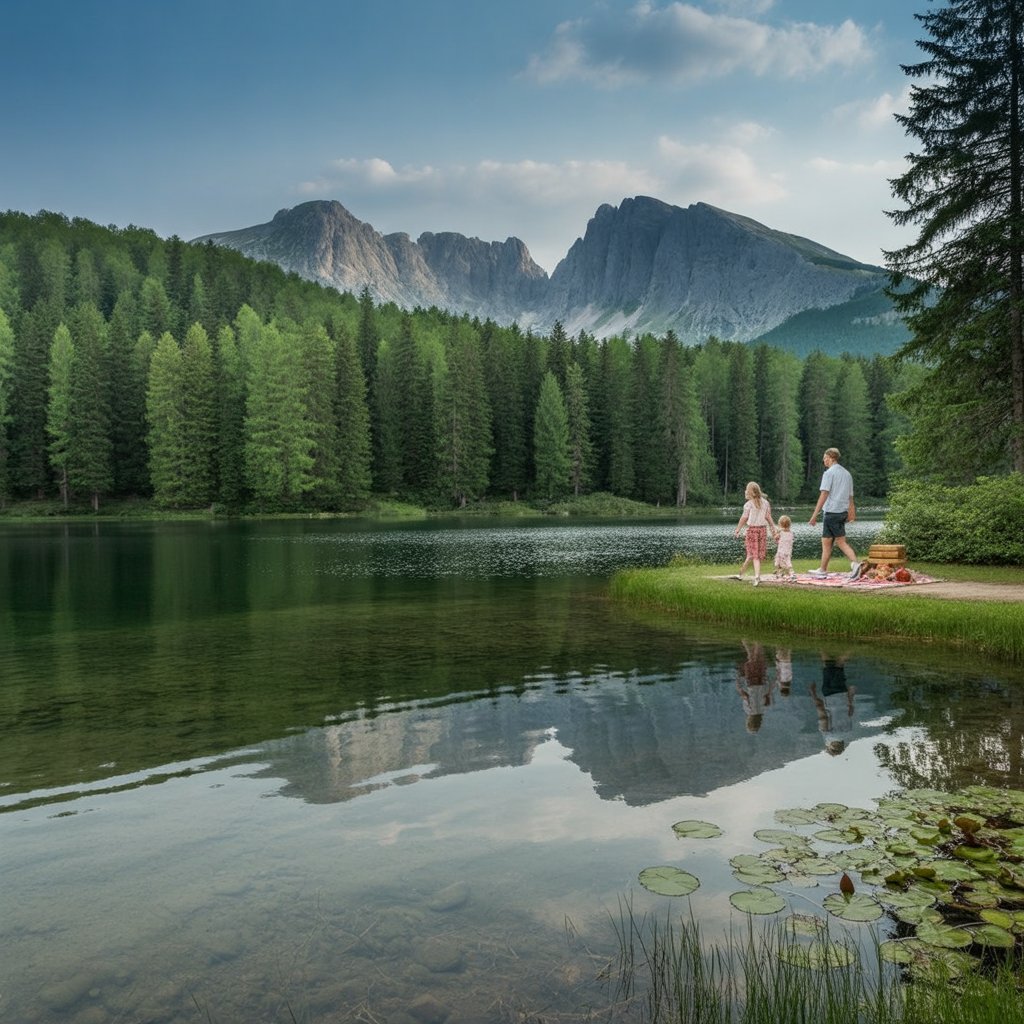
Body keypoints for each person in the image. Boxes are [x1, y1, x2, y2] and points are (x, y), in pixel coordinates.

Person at [807, 448, 860, 579]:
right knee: (826, 540)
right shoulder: (847, 474)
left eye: (825, 458)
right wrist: (852, 512)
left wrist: (814, 515)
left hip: (831, 512)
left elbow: (824, 494)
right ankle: (822, 569)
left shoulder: (829, 473)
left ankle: (856, 564)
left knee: (841, 542)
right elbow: (850, 497)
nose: (823, 460)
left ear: (831, 457)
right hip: (842, 512)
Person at [809, 654, 856, 756]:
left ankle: (828, 647)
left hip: (842, 695)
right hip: (829, 695)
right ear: (830, 745)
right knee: (830, 666)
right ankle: (850, 648)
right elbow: (822, 713)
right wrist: (813, 693)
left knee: (838, 667)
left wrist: (851, 694)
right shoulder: (827, 733)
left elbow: (850, 710)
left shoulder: (848, 730)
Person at [732, 482, 776, 586]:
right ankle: (740, 574)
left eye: (747, 489)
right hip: (762, 531)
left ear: (750, 492)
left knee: (754, 556)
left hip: (752, 531)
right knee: (751, 555)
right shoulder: (765, 503)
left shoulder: (748, 504)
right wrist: (772, 526)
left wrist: (737, 529)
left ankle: (757, 577)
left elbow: (744, 518)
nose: (745, 491)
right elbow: (768, 516)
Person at [736, 640, 774, 732]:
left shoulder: (764, 710)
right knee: (751, 659)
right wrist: (739, 685)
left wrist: (770, 683)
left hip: (761, 681)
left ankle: (753, 641)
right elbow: (745, 696)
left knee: (758, 659)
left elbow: (767, 696)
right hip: (751, 682)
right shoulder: (748, 709)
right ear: (748, 721)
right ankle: (753, 641)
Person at [773, 515, 796, 580]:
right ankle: (788, 573)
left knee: (778, 562)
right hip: (788, 551)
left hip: (781, 551)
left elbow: (775, 538)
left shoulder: (781, 532)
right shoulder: (791, 533)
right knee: (787, 561)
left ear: (780, 524)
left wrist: (776, 532)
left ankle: (780, 573)